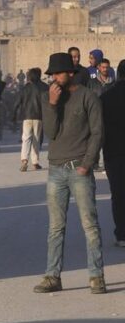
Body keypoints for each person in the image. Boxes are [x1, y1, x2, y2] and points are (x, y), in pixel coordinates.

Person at [33, 53, 105, 295]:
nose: (53, 78)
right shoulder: (48, 97)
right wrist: (52, 105)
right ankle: (52, 276)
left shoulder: (88, 97)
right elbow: (51, 133)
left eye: (57, 73)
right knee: (55, 228)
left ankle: (96, 276)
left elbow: (97, 133)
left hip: (79, 169)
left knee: (90, 225)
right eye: (51, 74)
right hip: (56, 170)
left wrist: (87, 164)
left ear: (71, 73)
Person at [102, 59, 125, 249]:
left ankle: (122, 234)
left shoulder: (106, 97)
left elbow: (98, 128)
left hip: (114, 153)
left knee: (118, 194)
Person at [14, 67, 46, 172]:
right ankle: (35, 162)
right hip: (38, 116)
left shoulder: (25, 88)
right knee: (36, 139)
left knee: (26, 138)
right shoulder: (44, 87)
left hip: (27, 117)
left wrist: (14, 114)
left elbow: (18, 102)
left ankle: (24, 161)